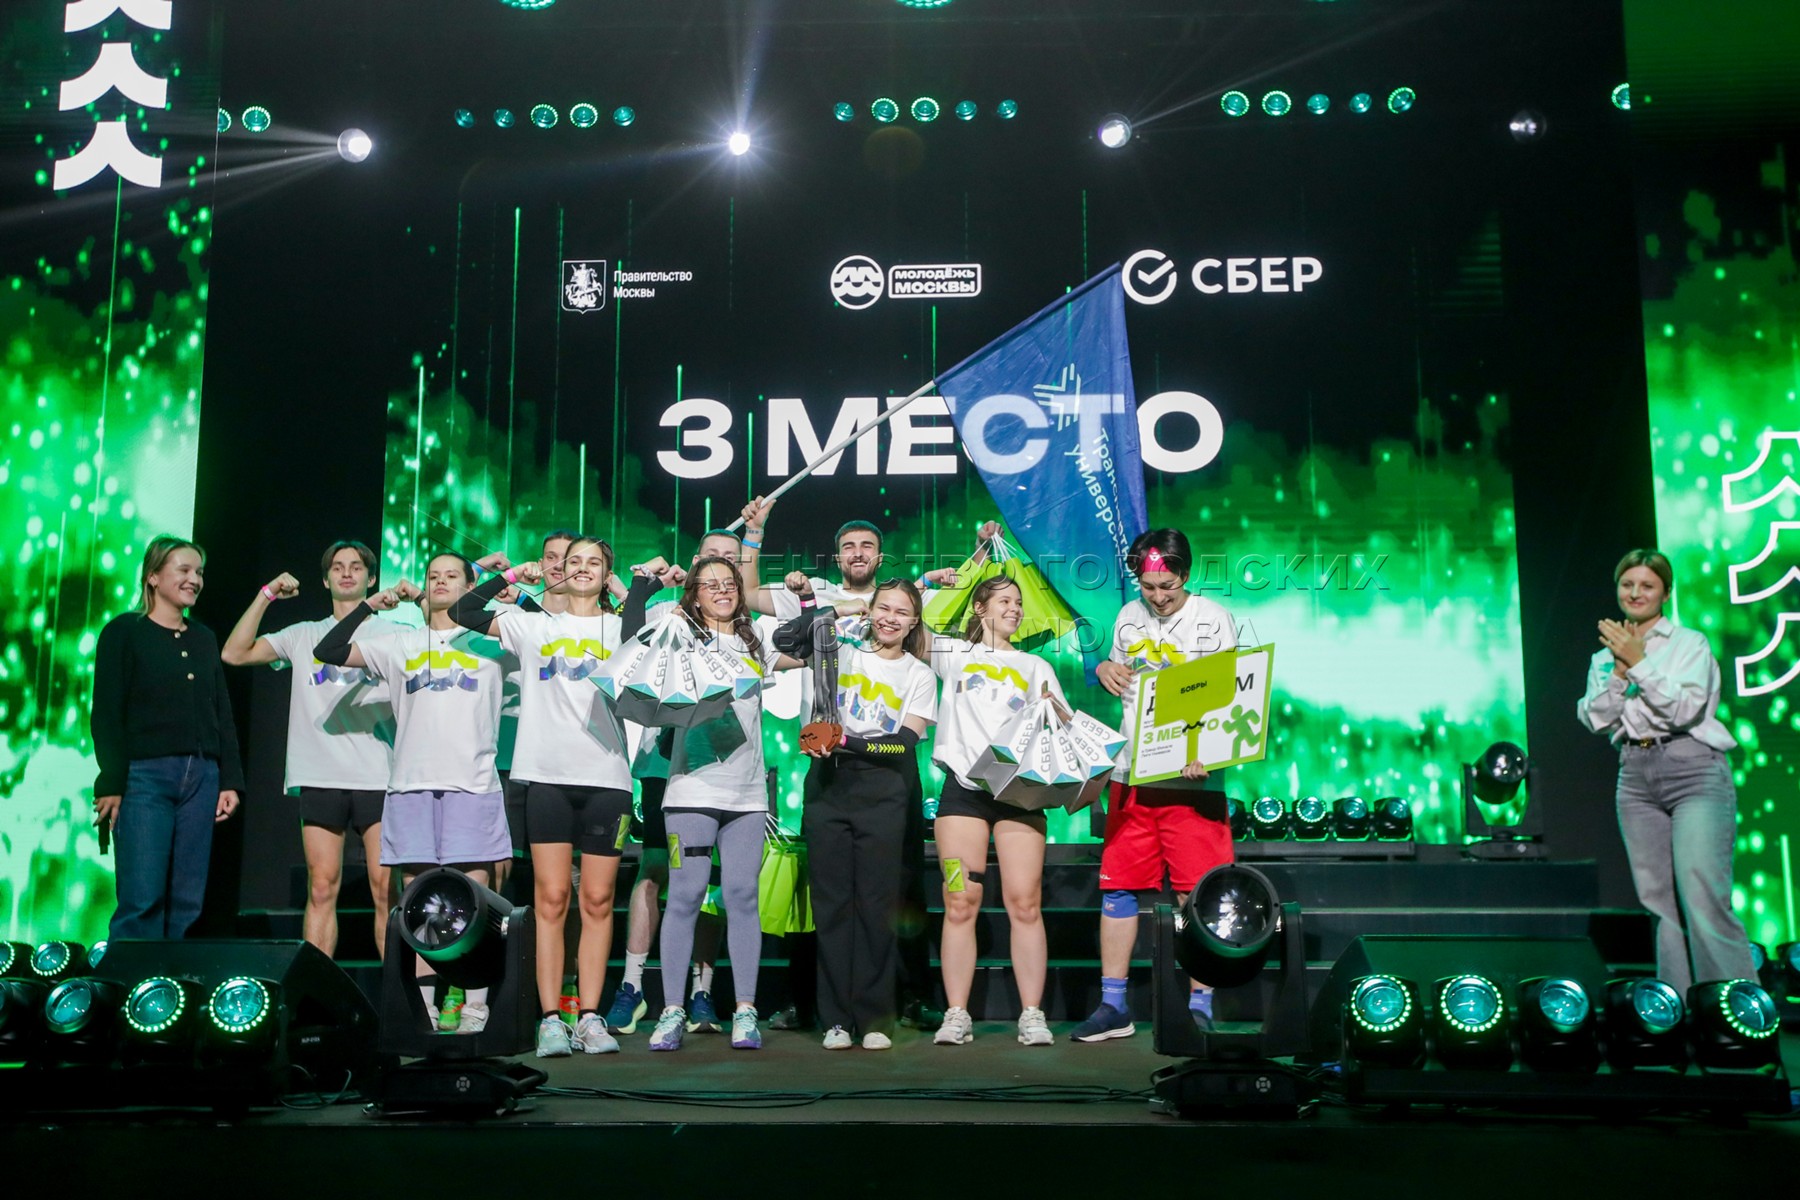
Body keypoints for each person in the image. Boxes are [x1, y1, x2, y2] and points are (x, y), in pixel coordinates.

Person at [448, 535, 631, 1056]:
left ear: (606, 574)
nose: (583, 569)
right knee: (551, 899)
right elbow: (462, 610)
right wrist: (511, 576)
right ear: (559, 570)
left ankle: (589, 1015)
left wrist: (625, 588)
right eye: (574, 561)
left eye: (594, 563)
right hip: (545, 778)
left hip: (608, 780)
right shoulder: (532, 626)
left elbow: (656, 623)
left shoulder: (622, 629)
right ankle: (550, 1018)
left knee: (597, 900)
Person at [314, 552, 512, 1033]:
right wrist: (369, 606)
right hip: (410, 786)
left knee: (474, 899)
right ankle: (424, 1008)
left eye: (452, 576)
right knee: (419, 902)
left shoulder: (494, 641)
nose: (441, 582)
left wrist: (503, 582)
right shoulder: (399, 644)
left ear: (470, 586)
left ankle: (474, 1003)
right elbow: (329, 649)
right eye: (433, 576)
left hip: (472, 783)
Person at [620, 554, 803, 1051]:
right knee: (684, 895)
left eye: (729, 583)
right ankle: (671, 1009)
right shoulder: (676, 633)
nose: (722, 590)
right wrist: (646, 586)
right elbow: (629, 640)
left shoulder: (754, 639)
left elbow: (808, 647)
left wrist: (809, 601)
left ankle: (745, 1009)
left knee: (742, 897)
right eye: (710, 584)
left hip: (746, 794)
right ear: (695, 595)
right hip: (691, 791)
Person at [1070, 529, 1236, 1042]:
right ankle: (1114, 1006)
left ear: (1185, 575)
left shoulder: (1212, 619)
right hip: (1132, 776)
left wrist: (1208, 751)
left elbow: (1229, 693)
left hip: (1192, 783)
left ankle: (1200, 1006)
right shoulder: (1128, 616)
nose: (1158, 597)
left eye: (1168, 586)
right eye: (1148, 587)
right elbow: (1122, 676)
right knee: (1118, 886)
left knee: (1196, 892)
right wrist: (1104, 667)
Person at [1577, 548, 1754, 995]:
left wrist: (1640, 663)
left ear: (1666, 593)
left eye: (1647, 585)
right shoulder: (1604, 656)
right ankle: (1681, 1008)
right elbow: (1595, 719)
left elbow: (1685, 709)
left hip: (1692, 769)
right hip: (1635, 776)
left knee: (1702, 894)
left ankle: (1734, 1008)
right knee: (1659, 903)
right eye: (1627, 584)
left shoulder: (1689, 644)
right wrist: (1619, 673)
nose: (1635, 593)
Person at [220, 539, 408, 960]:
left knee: (386, 889)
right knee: (321, 887)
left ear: (371, 578)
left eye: (356, 566)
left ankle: (398, 993)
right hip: (320, 776)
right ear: (325, 580)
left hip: (379, 775)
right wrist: (267, 594)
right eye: (337, 567)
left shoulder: (395, 633)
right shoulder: (303, 634)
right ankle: (318, 987)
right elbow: (234, 653)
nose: (347, 573)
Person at [775, 578, 938, 1050]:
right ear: (870, 611)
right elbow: (785, 639)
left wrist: (845, 740)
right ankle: (836, 1020)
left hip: (885, 792)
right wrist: (831, 609)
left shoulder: (919, 675)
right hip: (828, 786)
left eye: (901, 612)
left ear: (914, 622)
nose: (890, 618)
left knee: (875, 906)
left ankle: (874, 1018)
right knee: (832, 906)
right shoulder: (839, 652)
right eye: (883, 608)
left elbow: (903, 743)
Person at [604, 526, 741, 1037]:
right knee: (657, 870)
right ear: (696, 563)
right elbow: (628, 639)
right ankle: (634, 986)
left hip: (725, 769)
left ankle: (702, 992)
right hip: (666, 769)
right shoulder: (668, 612)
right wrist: (649, 584)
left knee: (711, 883)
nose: (720, 567)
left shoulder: (746, 625)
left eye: (730, 560)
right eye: (711, 557)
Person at [928, 575, 1070, 1047]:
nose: (1014, 608)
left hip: (1018, 794)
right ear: (979, 607)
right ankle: (957, 1013)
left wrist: (1054, 712)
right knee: (959, 900)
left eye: (1018, 602)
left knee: (1024, 903)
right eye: (1004, 600)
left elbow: (1065, 727)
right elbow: (910, 612)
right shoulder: (953, 654)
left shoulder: (1035, 665)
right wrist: (962, 565)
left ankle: (1032, 1013)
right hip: (963, 795)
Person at [92, 535, 244, 940]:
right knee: (142, 899)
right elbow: (107, 712)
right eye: (184, 570)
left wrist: (229, 780)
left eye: (199, 572)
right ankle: (133, 979)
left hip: (202, 779)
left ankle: (173, 979)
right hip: (144, 779)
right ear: (153, 576)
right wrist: (111, 781)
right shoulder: (124, 632)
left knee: (187, 902)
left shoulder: (204, 638)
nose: (195, 579)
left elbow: (221, 714)